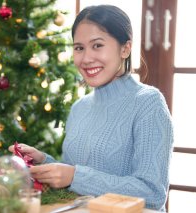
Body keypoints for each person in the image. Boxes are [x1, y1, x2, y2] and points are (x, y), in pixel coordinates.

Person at [9, 4, 174, 211]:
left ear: (125, 48)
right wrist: (43, 161)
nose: (86, 59)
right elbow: (73, 174)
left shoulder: (148, 103)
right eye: (79, 48)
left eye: (97, 45)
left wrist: (74, 176)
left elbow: (153, 193)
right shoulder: (80, 107)